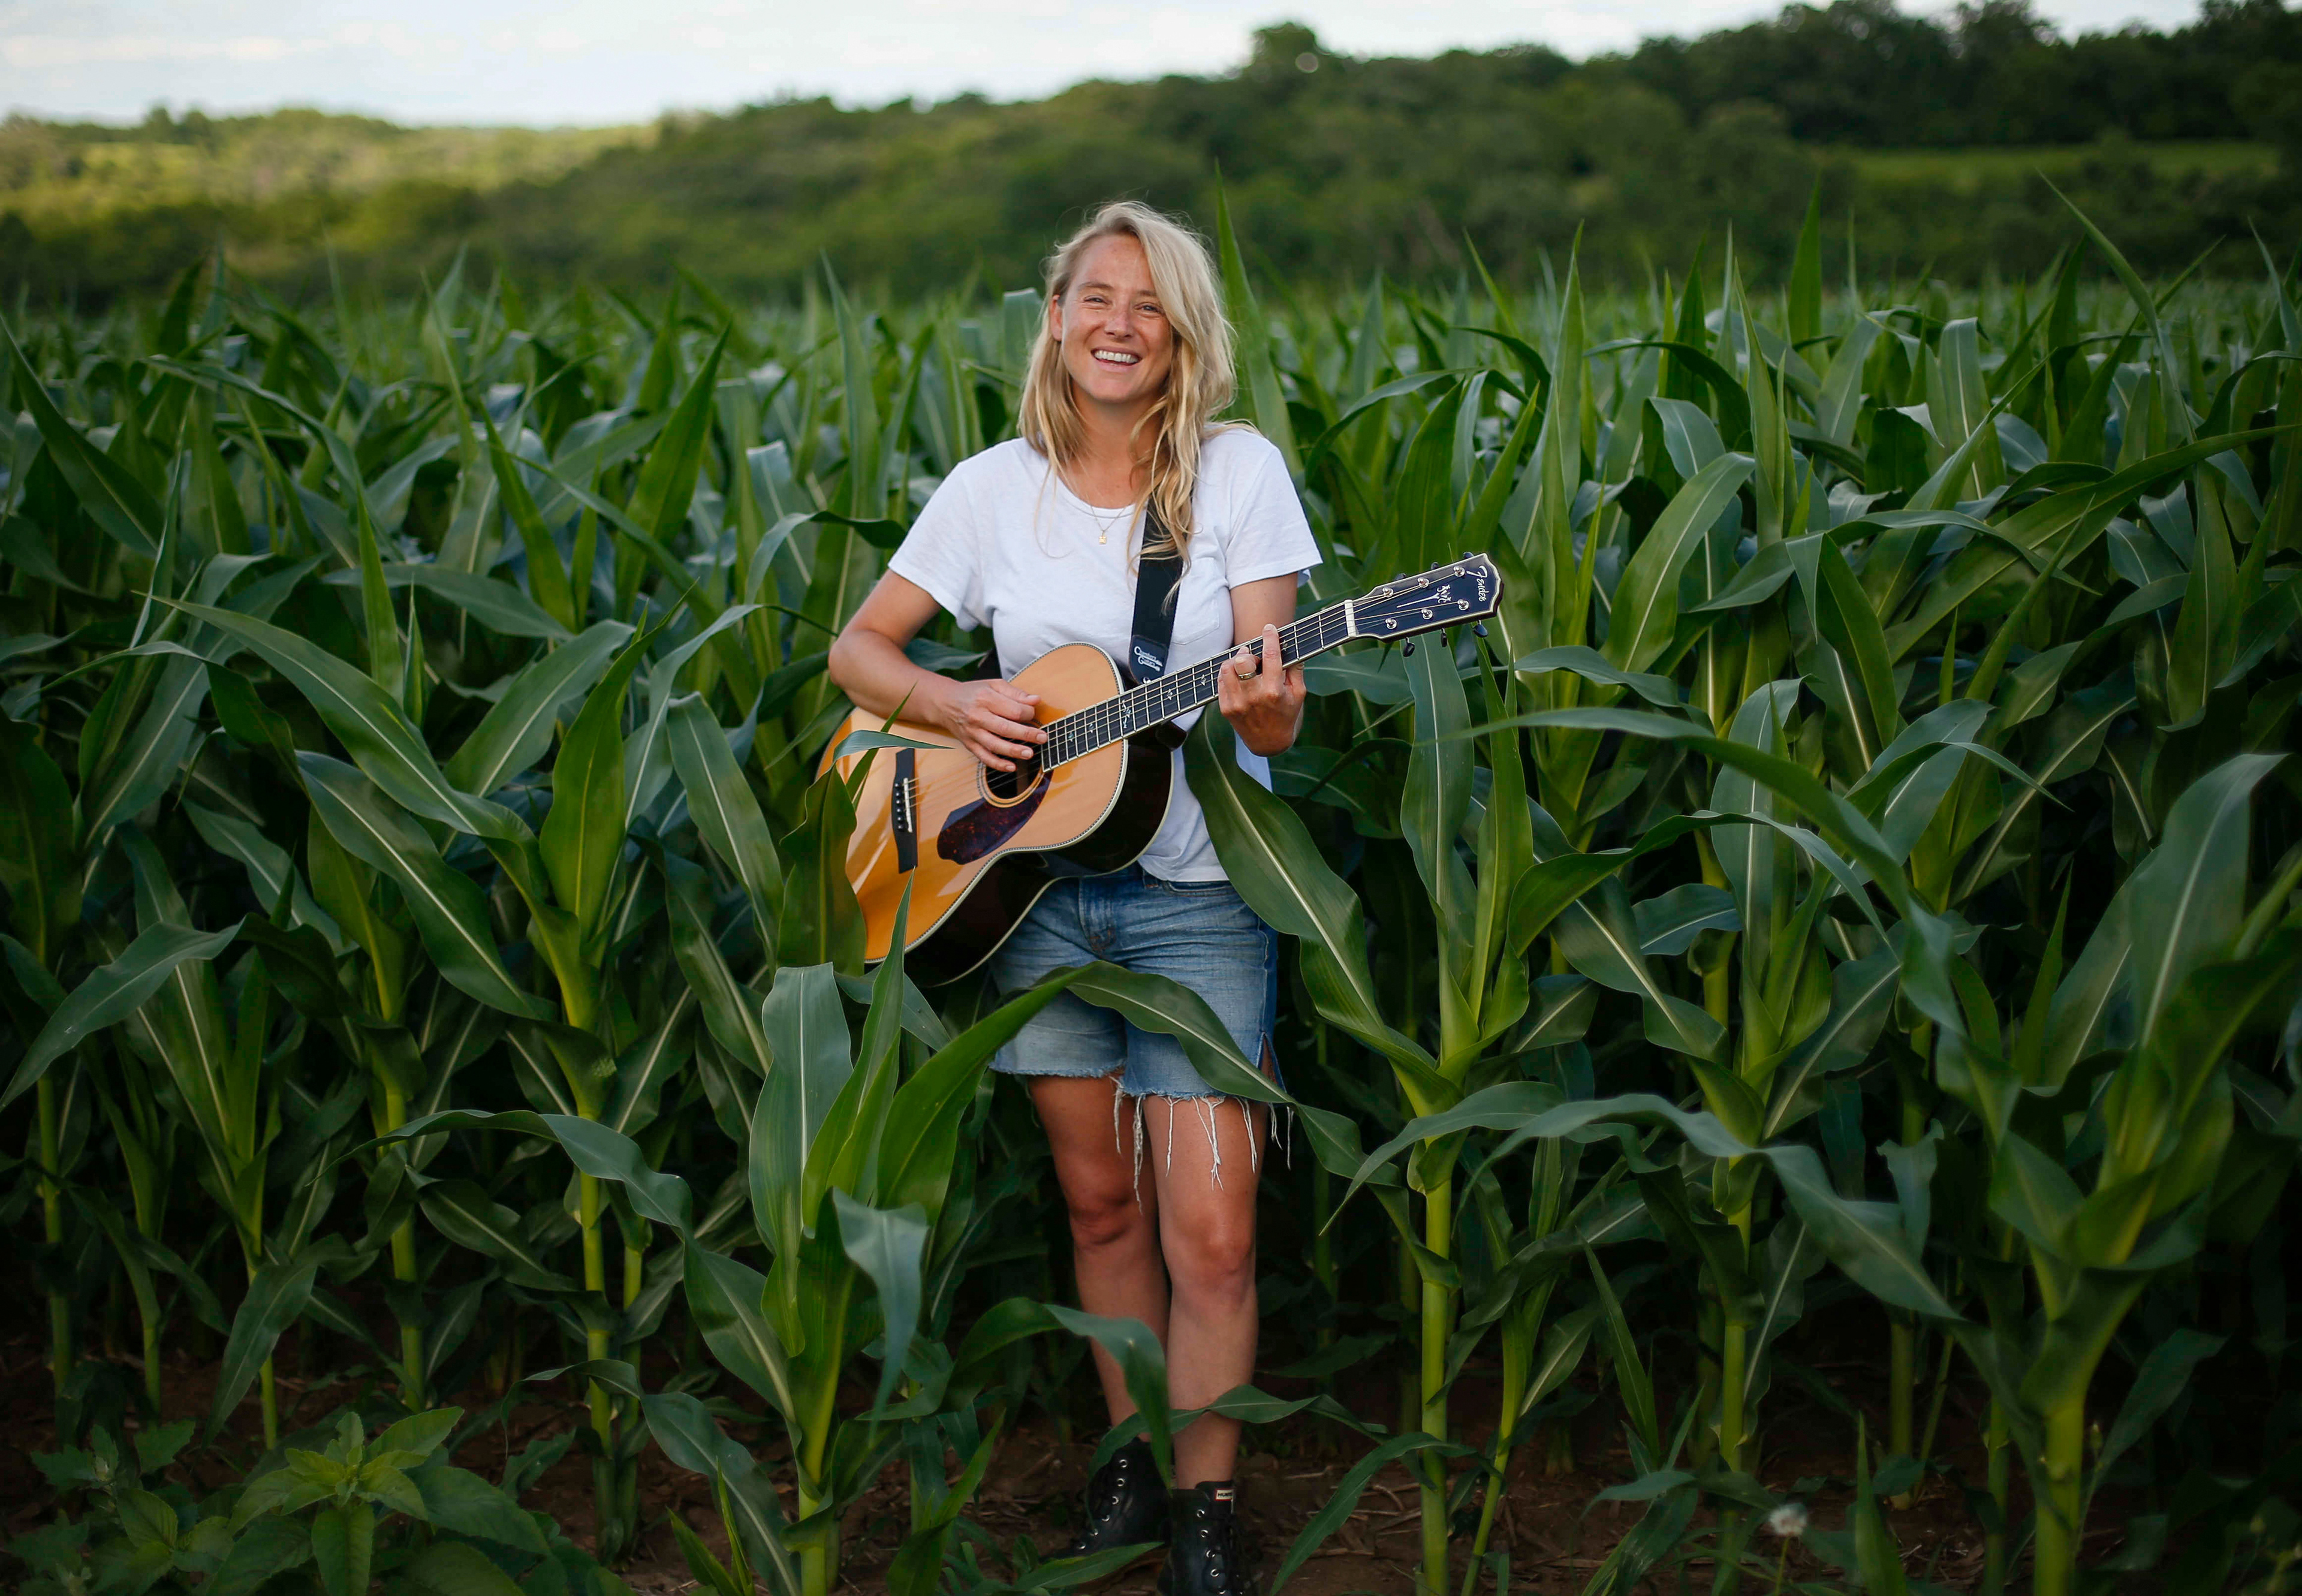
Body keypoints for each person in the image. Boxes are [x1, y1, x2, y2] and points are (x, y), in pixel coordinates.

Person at [825, 200, 1318, 1596]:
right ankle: (1130, 1456)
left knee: (1210, 1227)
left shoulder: (1239, 477)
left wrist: (1268, 709)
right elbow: (858, 650)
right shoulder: (992, 490)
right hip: (1029, 896)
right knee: (1100, 1210)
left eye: (1149, 302)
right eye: (1094, 295)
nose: (1118, 321)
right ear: (1055, 317)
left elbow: (1276, 723)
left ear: (1183, 334)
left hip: (1202, 896)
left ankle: (1207, 1508)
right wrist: (954, 698)